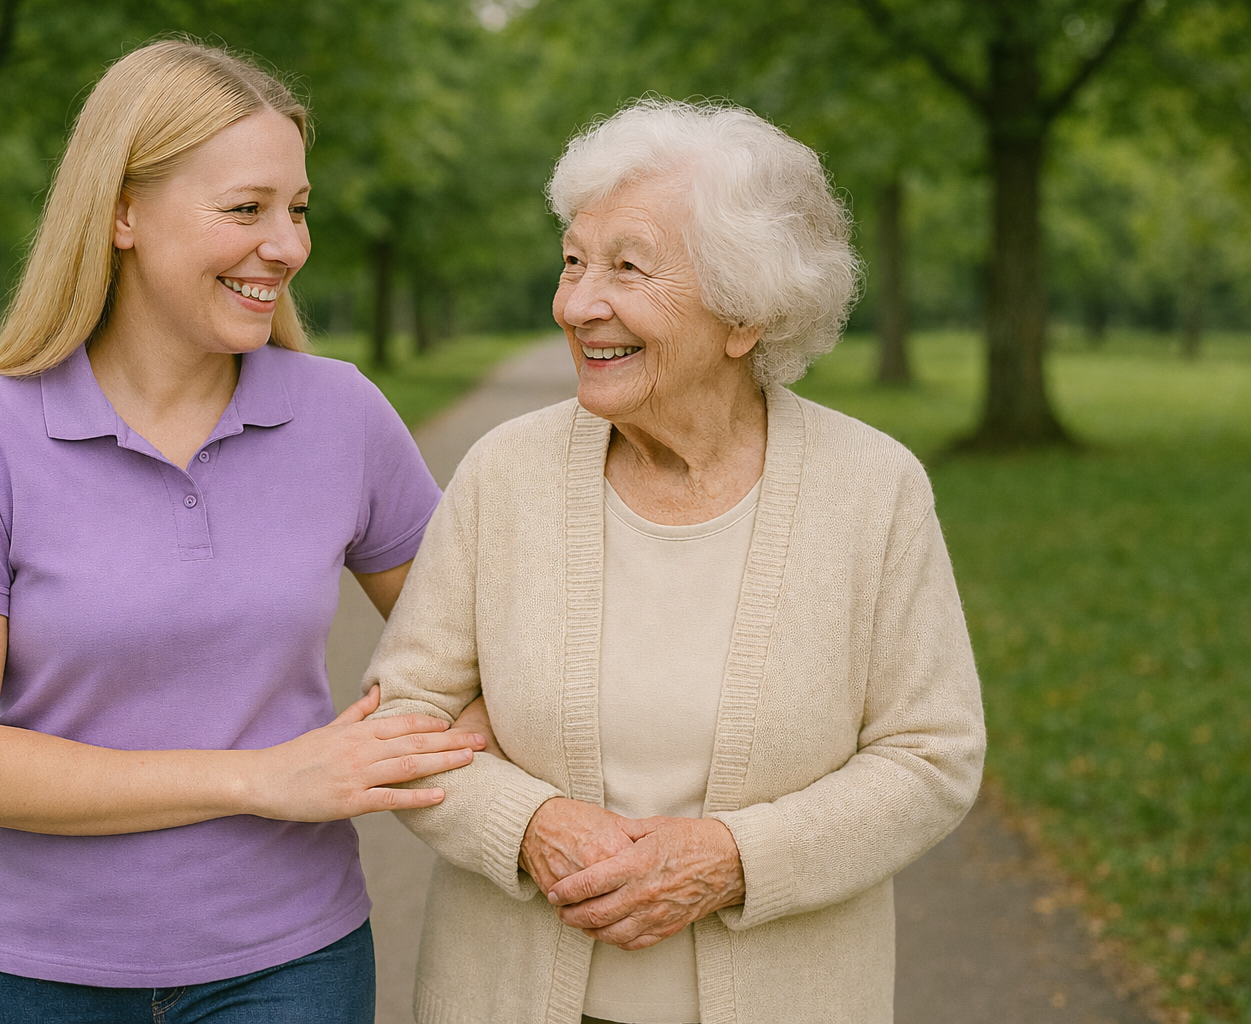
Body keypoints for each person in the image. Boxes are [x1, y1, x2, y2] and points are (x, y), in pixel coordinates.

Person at [0, 40, 485, 1024]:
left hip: (290, 964)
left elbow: (477, 646)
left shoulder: (342, 414)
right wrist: (262, 778)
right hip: (30, 974)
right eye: (247, 209)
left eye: (298, 208)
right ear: (120, 211)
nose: (286, 244)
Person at [366, 99, 987, 1024]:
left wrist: (730, 861)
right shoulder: (505, 473)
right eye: (574, 261)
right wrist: (529, 826)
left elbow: (932, 756)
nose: (578, 304)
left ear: (747, 315)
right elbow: (403, 717)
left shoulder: (874, 490)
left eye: (627, 267)